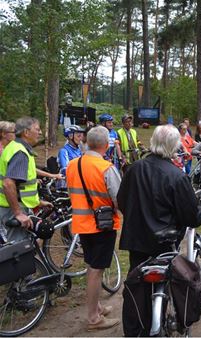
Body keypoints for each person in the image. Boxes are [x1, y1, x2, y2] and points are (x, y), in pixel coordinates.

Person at [118, 124, 201, 337]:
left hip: (137, 241)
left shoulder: (134, 169)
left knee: (136, 286)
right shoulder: (176, 176)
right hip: (164, 243)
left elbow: (121, 202)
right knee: (171, 281)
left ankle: (136, 329)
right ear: (174, 146)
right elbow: (192, 216)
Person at [66, 126, 121, 331]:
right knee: (96, 271)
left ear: (87, 142)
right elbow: (119, 199)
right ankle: (93, 318)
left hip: (81, 224)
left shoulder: (72, 164)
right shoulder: (105, 167)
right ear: (106, 145)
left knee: (91, 265)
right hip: (101, 226)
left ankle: (96, 307)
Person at [0, 117, 52, 242]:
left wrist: (37, 202)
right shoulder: (20, 152)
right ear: (26, 132)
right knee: (17, 251)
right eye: (37, 129)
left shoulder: (14, 147)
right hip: (12, 209)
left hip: (11, 206)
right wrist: (18, 213)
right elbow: (8, 183)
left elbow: (21, 186)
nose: (40, 133)